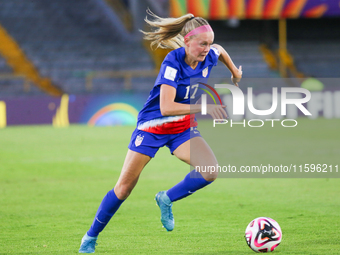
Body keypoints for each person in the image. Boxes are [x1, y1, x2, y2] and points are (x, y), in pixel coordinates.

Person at [79, 10, 242, 253]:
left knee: (210, 171)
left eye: (208, 43)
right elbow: (166, 107)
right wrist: (204, 106)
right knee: (124, 188)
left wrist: (234, 72)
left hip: (182, 127)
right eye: (202, 44)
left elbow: (220, 50)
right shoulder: (172, 62)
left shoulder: (209, 54)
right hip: (153, 126)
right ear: (187, 41)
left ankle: (166, 198)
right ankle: (90, 237)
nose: (207, 49)